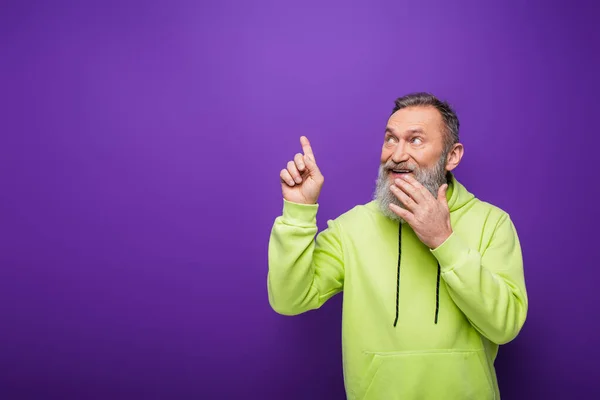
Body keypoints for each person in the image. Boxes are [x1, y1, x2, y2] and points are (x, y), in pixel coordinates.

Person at [267, 92, 528, 399]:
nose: (397, 154)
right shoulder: (354, 227)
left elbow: (505, 326)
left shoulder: (492, 223)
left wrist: (443, 240)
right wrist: (298, 212)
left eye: (415, 140)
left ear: (452, 156)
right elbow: (288, 300)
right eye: (391, 139)